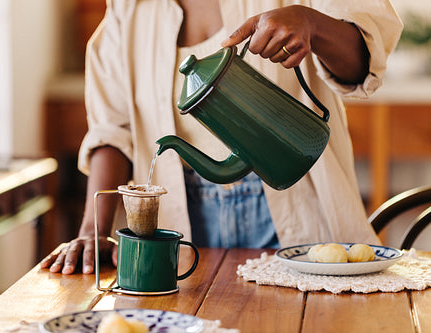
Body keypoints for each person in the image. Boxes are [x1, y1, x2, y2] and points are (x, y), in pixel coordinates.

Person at [41, 0, 403, 275]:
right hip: (180, 221)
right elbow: (111, 131)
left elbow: (364, 61)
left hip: (294, 210)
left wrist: (312, 24)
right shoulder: (128, 10)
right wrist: (92, 231)